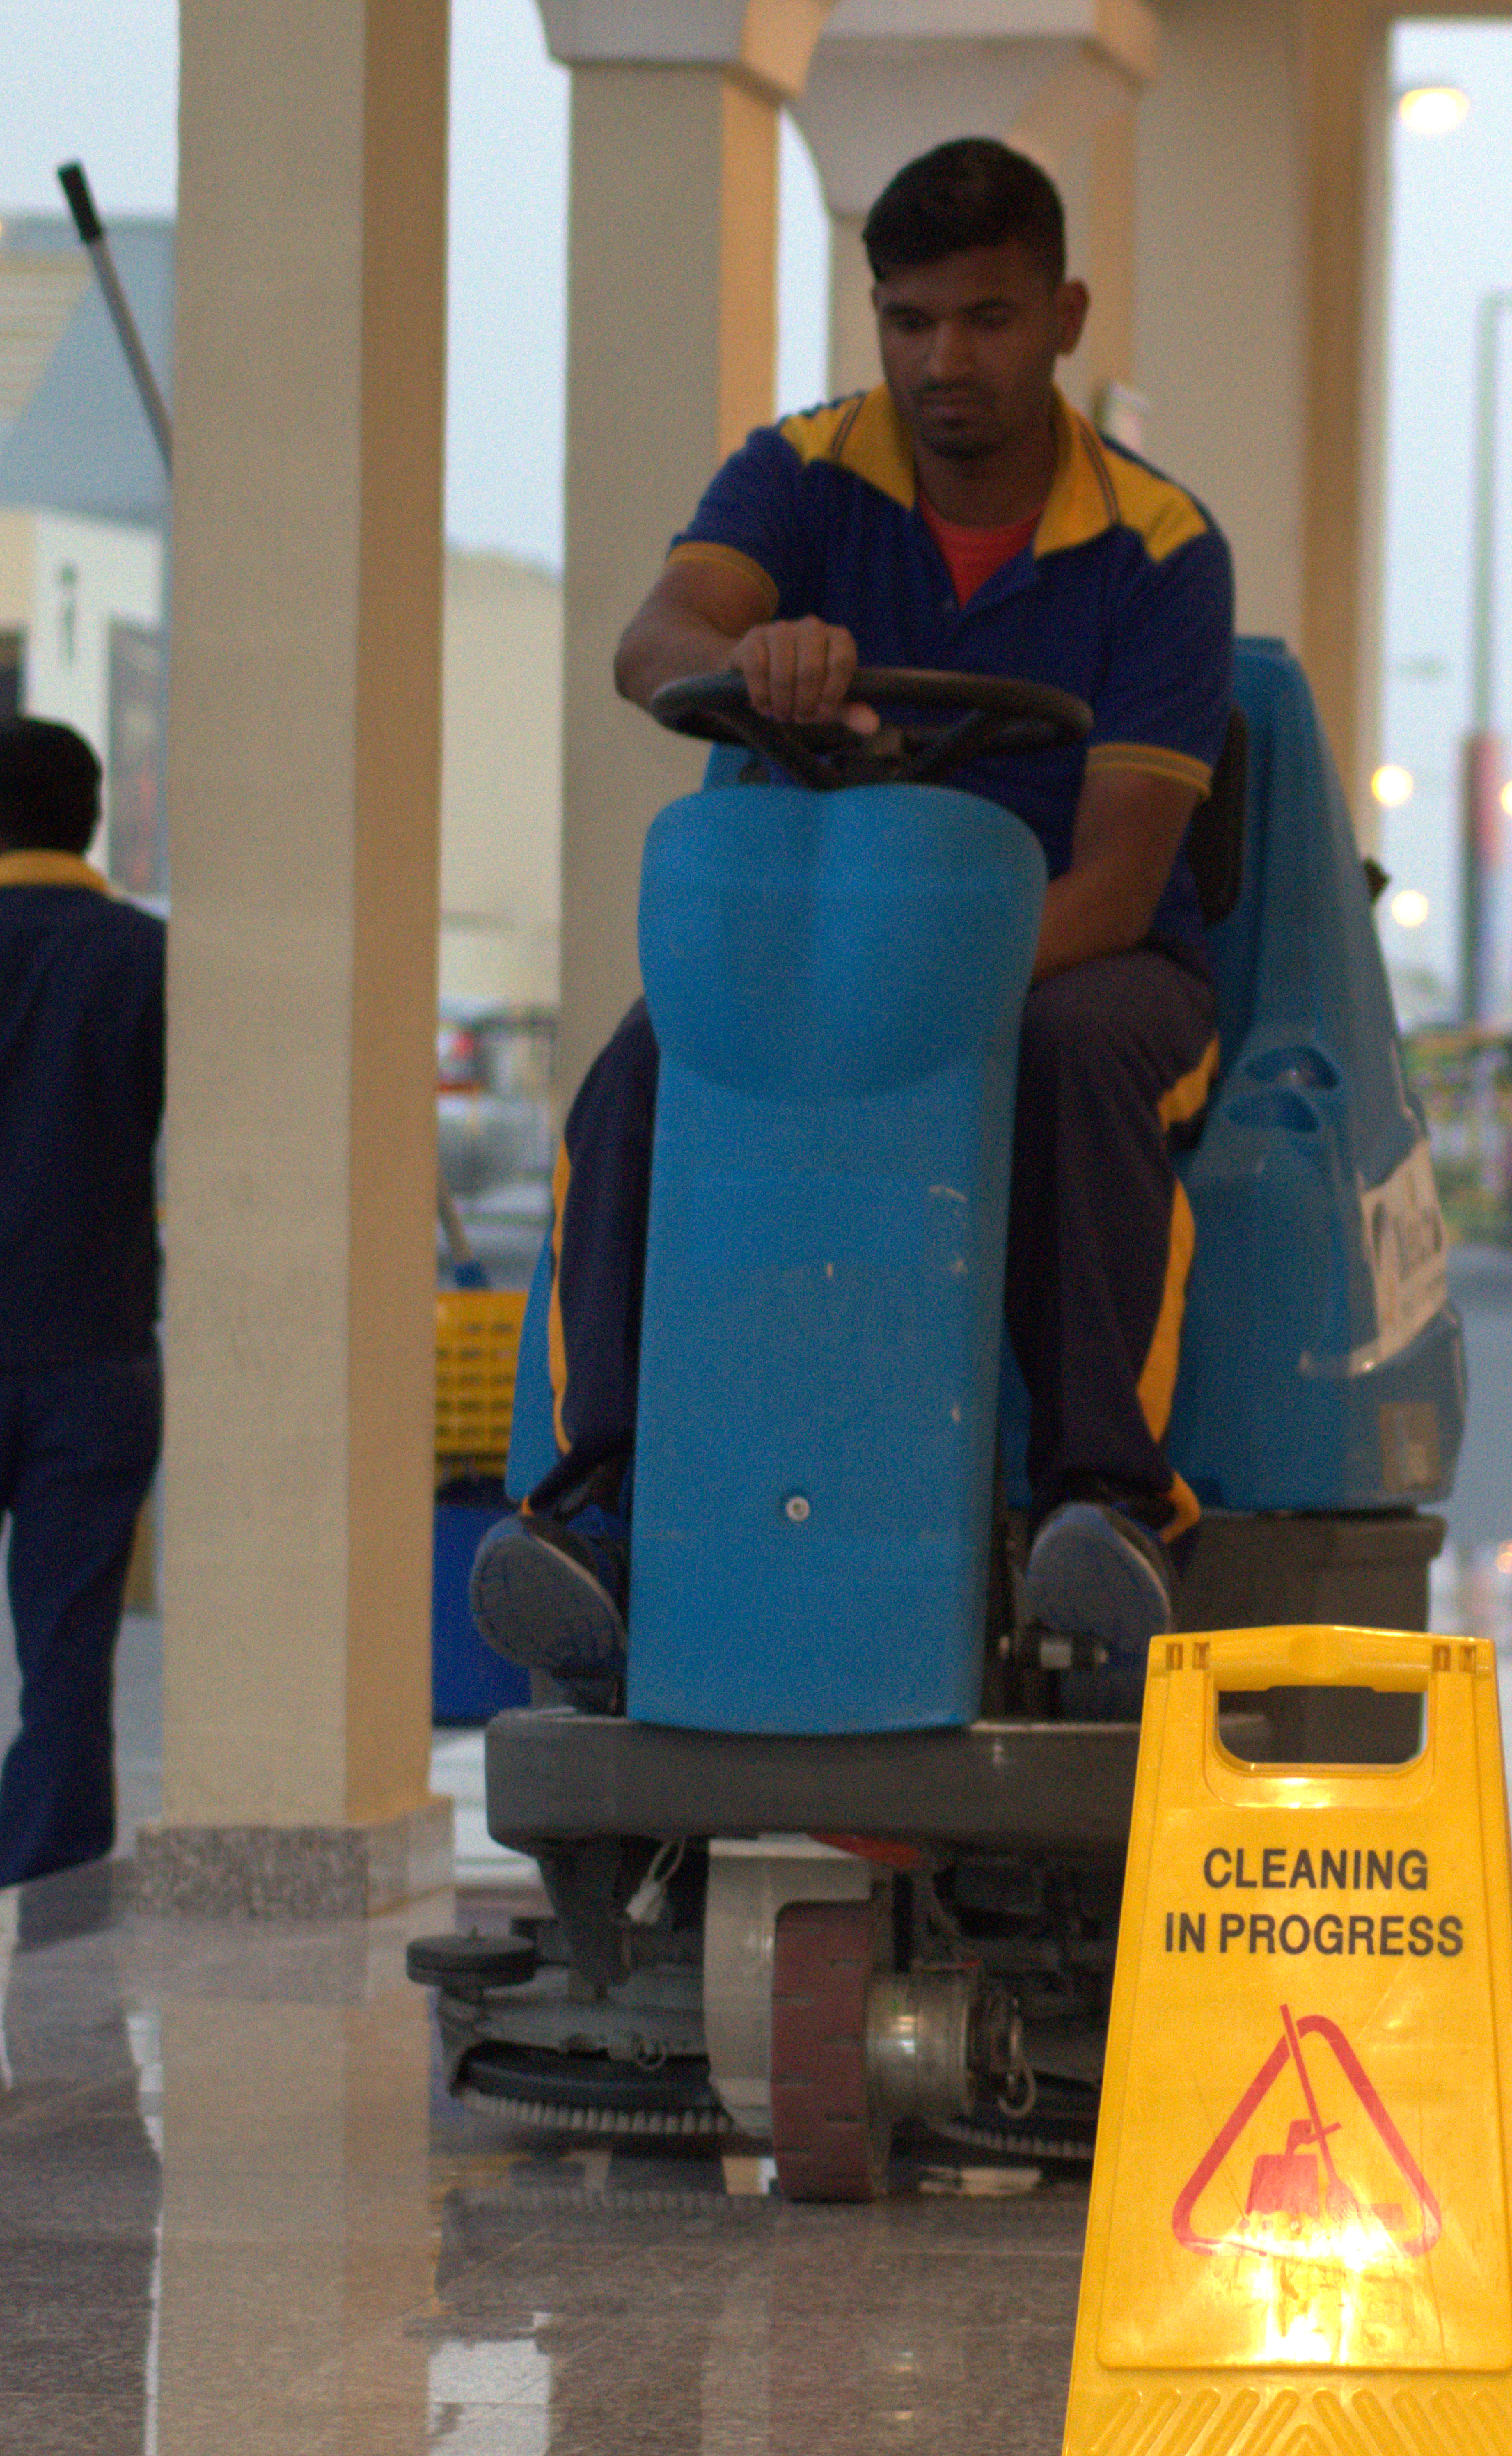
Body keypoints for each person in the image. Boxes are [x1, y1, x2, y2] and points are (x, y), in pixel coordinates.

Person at [471, 136, 1234, 1683]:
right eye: (908, 320)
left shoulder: (1161, 551)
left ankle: (1107, 1505)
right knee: (638, 1080)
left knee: (1082, 1063)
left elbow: (1116, 880)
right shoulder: (803, 473)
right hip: (819, 941)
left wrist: (914, 992)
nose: (943, 361)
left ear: (1066, 314)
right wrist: (746, 653)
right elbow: (654, 639)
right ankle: (602, 1507)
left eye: (987, 318)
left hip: (1069, 952)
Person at [0, 716, 166, 1904]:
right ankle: (54, 1918)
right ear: (92, 820)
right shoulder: (146, 957)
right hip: (99, 1357)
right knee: (69, 1663)